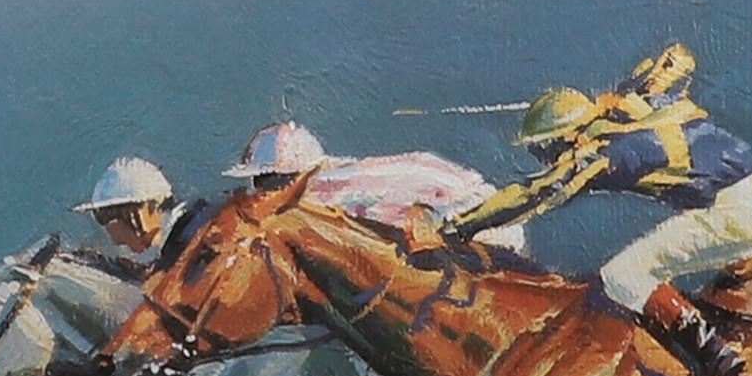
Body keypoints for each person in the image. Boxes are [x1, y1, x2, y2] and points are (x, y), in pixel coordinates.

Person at [424, 44, 752, 376]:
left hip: (743, 211)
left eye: (543, 149)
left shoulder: (601, 153)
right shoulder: (642, 101)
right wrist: (633, 85)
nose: (546, 159)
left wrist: (459, 228)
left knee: (622, 275)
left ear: (567, 135)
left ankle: (716, 356)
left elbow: (534, 194)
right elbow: (679, 57)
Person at [226, 120, 530, 253]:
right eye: (259, 182)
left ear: (296, 176)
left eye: (268, 181)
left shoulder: (341, 191)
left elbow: (480, 203)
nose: (261, 191)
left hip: (486, 236)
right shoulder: (314, 197)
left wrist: (431, 221)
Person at [74, 155, 186, 269]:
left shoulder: (189, 242)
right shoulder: (167, 248)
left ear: (140, 212)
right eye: (100, 216)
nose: (116, 241)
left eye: (107, 215)